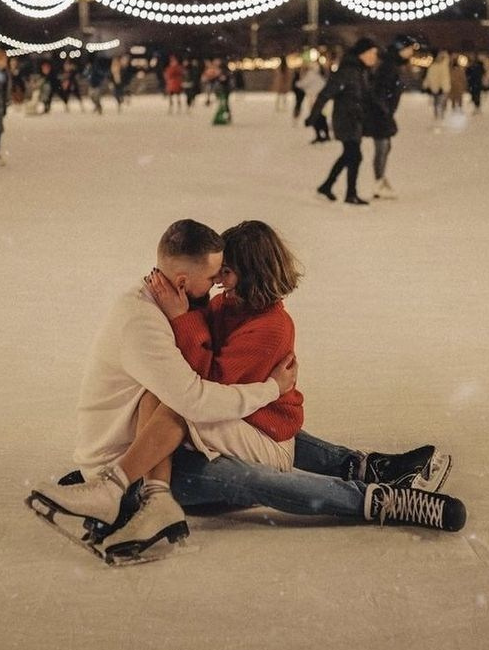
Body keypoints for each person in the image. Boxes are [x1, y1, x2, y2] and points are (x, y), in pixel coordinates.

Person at [28, 220, 462, 560]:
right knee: (231, 452)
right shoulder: (197, 309)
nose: (218, 282)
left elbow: (207, 387)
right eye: (215, 272)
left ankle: (377, 490)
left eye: (225, 272)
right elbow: (200, 392)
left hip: (247, 429)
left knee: (243, 450)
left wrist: (191, 325)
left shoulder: (262, 325)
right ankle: (131, 488)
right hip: (213, 434)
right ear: (182, 281)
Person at [306, 38, 377, 205]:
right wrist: (313, 116)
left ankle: (328, 186)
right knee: (354, 155)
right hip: (346, 120)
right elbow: (326, 93)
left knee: (350, 155)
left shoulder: (360, 71)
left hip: (354, 119)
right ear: (363, 54)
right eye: (372, 53)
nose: (374, 57)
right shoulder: (347, 71)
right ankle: (349, 193)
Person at [365, 35, 417, 201]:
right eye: (409, 49)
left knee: (385, 147)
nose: (411, 53)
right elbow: (380, 91)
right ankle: (379, 183)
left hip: (382, 112)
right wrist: (385, 110)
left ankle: (380, 181)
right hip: (379, 113)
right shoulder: (389, 66)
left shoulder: (392, 64)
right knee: (382, 147)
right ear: (401, 49)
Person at [422, 49, 450, 120]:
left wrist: (442, 87)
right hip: (435, 87)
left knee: (440, 102)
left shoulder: (443, 66)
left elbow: (444, 78)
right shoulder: (433, 66)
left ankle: (441, 115)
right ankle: (437, 116)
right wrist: (426, 85)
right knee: (436, 102)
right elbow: (429, 76)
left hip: (442, 88)